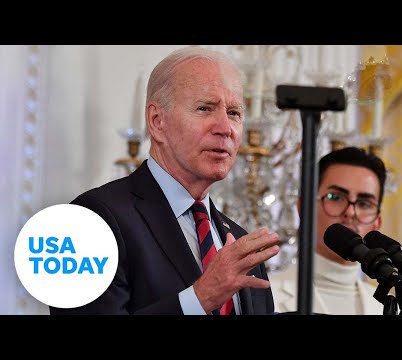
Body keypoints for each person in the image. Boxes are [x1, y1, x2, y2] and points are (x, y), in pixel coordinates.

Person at [49, 46, 280, 315]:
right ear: (157, 121)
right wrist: (200, 298)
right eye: (205, 108)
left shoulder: (240, 245)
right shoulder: (88, 222)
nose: (225, 128)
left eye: (234, 113)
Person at [270, 146, 402, 315]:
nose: (350, 212)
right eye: (335, 197)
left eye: (364, 203)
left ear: (377, 223)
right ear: (304, 208)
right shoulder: (265, 296)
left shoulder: (401, 311)